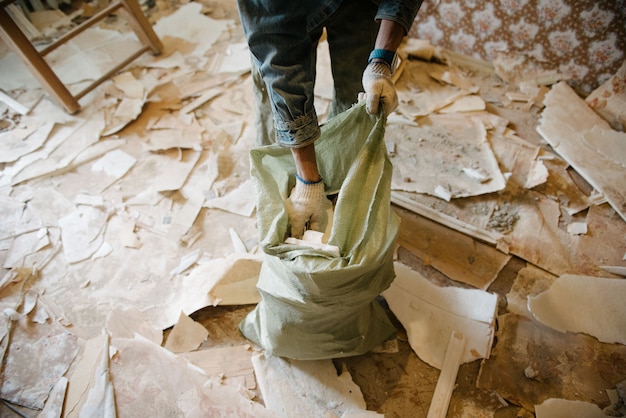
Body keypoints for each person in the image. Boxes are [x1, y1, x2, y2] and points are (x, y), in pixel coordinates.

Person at [236, 0, 423, 238]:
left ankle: (339, 202)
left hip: (359, 5)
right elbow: (279, 62)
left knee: (359, 103)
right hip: (278, 10)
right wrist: (308, 184)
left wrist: (380, 60)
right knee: (277, 104)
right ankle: (282, 198)